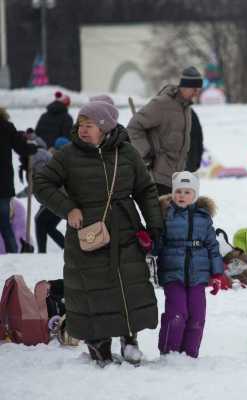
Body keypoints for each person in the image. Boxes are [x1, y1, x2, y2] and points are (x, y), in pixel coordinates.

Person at [34, 100, 163, 366]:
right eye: (81, 124)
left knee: (128, 284)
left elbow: (145, 190)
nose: (83, 130)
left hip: (125, 228)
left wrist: (155, 225)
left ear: (104, 127)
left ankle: (130, 341)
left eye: (89, 125)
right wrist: (68, 208)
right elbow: (42, 183)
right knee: (93, 289)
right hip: (86, 234)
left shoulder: (126, 153)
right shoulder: (68, 155)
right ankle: (99, 344)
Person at [156, 171, 224, 357]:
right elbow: (157, 243)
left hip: (198, 276)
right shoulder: (166, 215)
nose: (182, 196)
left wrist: (217, 274)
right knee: (177, 314)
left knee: (197, 316)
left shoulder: (203, 218)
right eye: (178, 191)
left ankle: (190, 353)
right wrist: (151, 246)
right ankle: (170, 352)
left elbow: (213, 247)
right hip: (172, 274)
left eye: (187, 192)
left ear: (195, 195)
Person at [127, 66, 203, 195]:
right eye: (194, 89)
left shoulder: (186, 109)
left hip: (177, 179)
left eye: (198, 90)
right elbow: (134, 126)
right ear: (184, 87)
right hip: (158, 178)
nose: (197, 93)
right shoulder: (161, 104)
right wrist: (145, 152)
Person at [0, 107, 37, 253]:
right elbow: (22, 148)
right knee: (4, 223)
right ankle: (13, 254)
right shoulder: (6, 127)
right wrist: (32, 148)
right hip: (3, 183)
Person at [34, 137, 70, 253]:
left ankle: (41, 252)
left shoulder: (56, 160)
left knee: (39, 220)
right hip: (61, 197)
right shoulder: (57, 159)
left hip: (58, 197)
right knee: (48, 226)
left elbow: (45, 179)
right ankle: (67, 248)